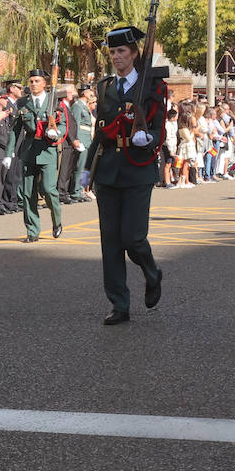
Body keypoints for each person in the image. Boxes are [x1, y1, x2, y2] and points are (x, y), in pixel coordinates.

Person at [78, 26, 165, 325]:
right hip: (108, 171)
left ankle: (152, 272)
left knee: (133, 237)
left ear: (134, 53)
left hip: (138, 169)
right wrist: (88, 167)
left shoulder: (152, 86)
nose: (116, 56)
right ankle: (119, 303)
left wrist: (148, 139)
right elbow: (101, 130)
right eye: (112, 52)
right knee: (111, 242)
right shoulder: (105, 87)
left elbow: (159, 127)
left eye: (122, 51)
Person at [11, 69, 67, 242]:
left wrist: (56, 132)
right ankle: (32, 231)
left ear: (44, 83)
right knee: (28, 193)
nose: (34, 84)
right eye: (31, 81)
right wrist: (8, 152)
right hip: (28, 151)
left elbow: (64, 123)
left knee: (49, 190)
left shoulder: (54, 100)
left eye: (37, 81)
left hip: (47, 150)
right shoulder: (22, 102)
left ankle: (57, 220)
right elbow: (15, 129)